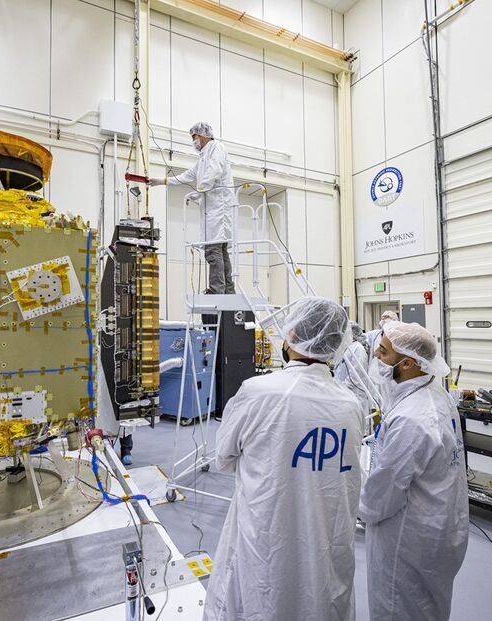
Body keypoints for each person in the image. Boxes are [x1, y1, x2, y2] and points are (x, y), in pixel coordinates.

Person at [204, 297, 362, 621]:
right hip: (328, 549)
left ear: (290, 334)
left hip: (267, 541)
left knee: (263, 600)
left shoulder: (259, 392)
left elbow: (223, 457)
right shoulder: (350, 404)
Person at [359, 321, 468, 621]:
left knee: (399, 610)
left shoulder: (412, 417)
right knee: (427, 608)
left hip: (407, 539)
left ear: (407, 363)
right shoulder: (434, 395)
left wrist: (358, 504)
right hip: (436, 526)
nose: (376, 359)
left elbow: (382, 497)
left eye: (382, 353)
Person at [150, 122, 236, 294]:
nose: (193, 141)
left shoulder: (216, 147)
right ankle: (228, 291)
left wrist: (202, 188)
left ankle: (217, 290)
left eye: (194, 137)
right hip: (213, 209)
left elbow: (215, 170)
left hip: (219, 208)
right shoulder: (203, 158)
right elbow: (186, 176)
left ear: (204, 135)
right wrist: (162, 181)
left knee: (213, 251)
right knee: (220, 250)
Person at [335, 321, 383, 417]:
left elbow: (356, 377)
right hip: (344, 393)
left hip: (355, 395)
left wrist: (339, 387)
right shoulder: (347, 348)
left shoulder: (358, 349)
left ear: (351, 333)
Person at [363, 310, 399, 411]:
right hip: (376, 374)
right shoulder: (375, 334)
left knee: (390, 401)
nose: (384, 320)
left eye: (387, 317)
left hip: (392, 374)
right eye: (383, 317)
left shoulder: (398, 336)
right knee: (377, 401)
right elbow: (362, 337)